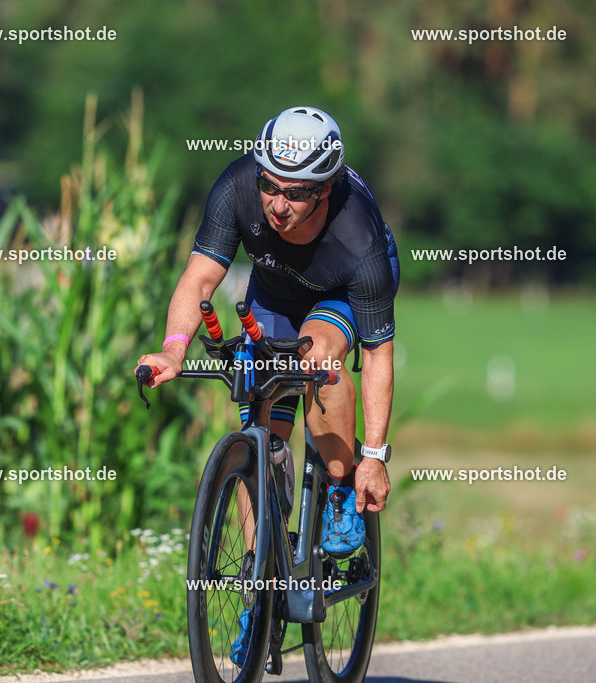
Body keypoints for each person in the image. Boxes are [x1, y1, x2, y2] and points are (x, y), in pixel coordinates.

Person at [136, 106, 399, 664]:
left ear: (325, 190)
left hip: (338, 298)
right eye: (270, 187)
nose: (277, 205)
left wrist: (374, 454)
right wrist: (174, 348)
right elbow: (200, 278)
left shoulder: (359, 234)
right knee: (261, 433)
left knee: (317, 357)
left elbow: (377, 355)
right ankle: (263, 588)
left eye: (296, 194)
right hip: (275, 294)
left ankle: (335, 488)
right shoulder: (236, 188)